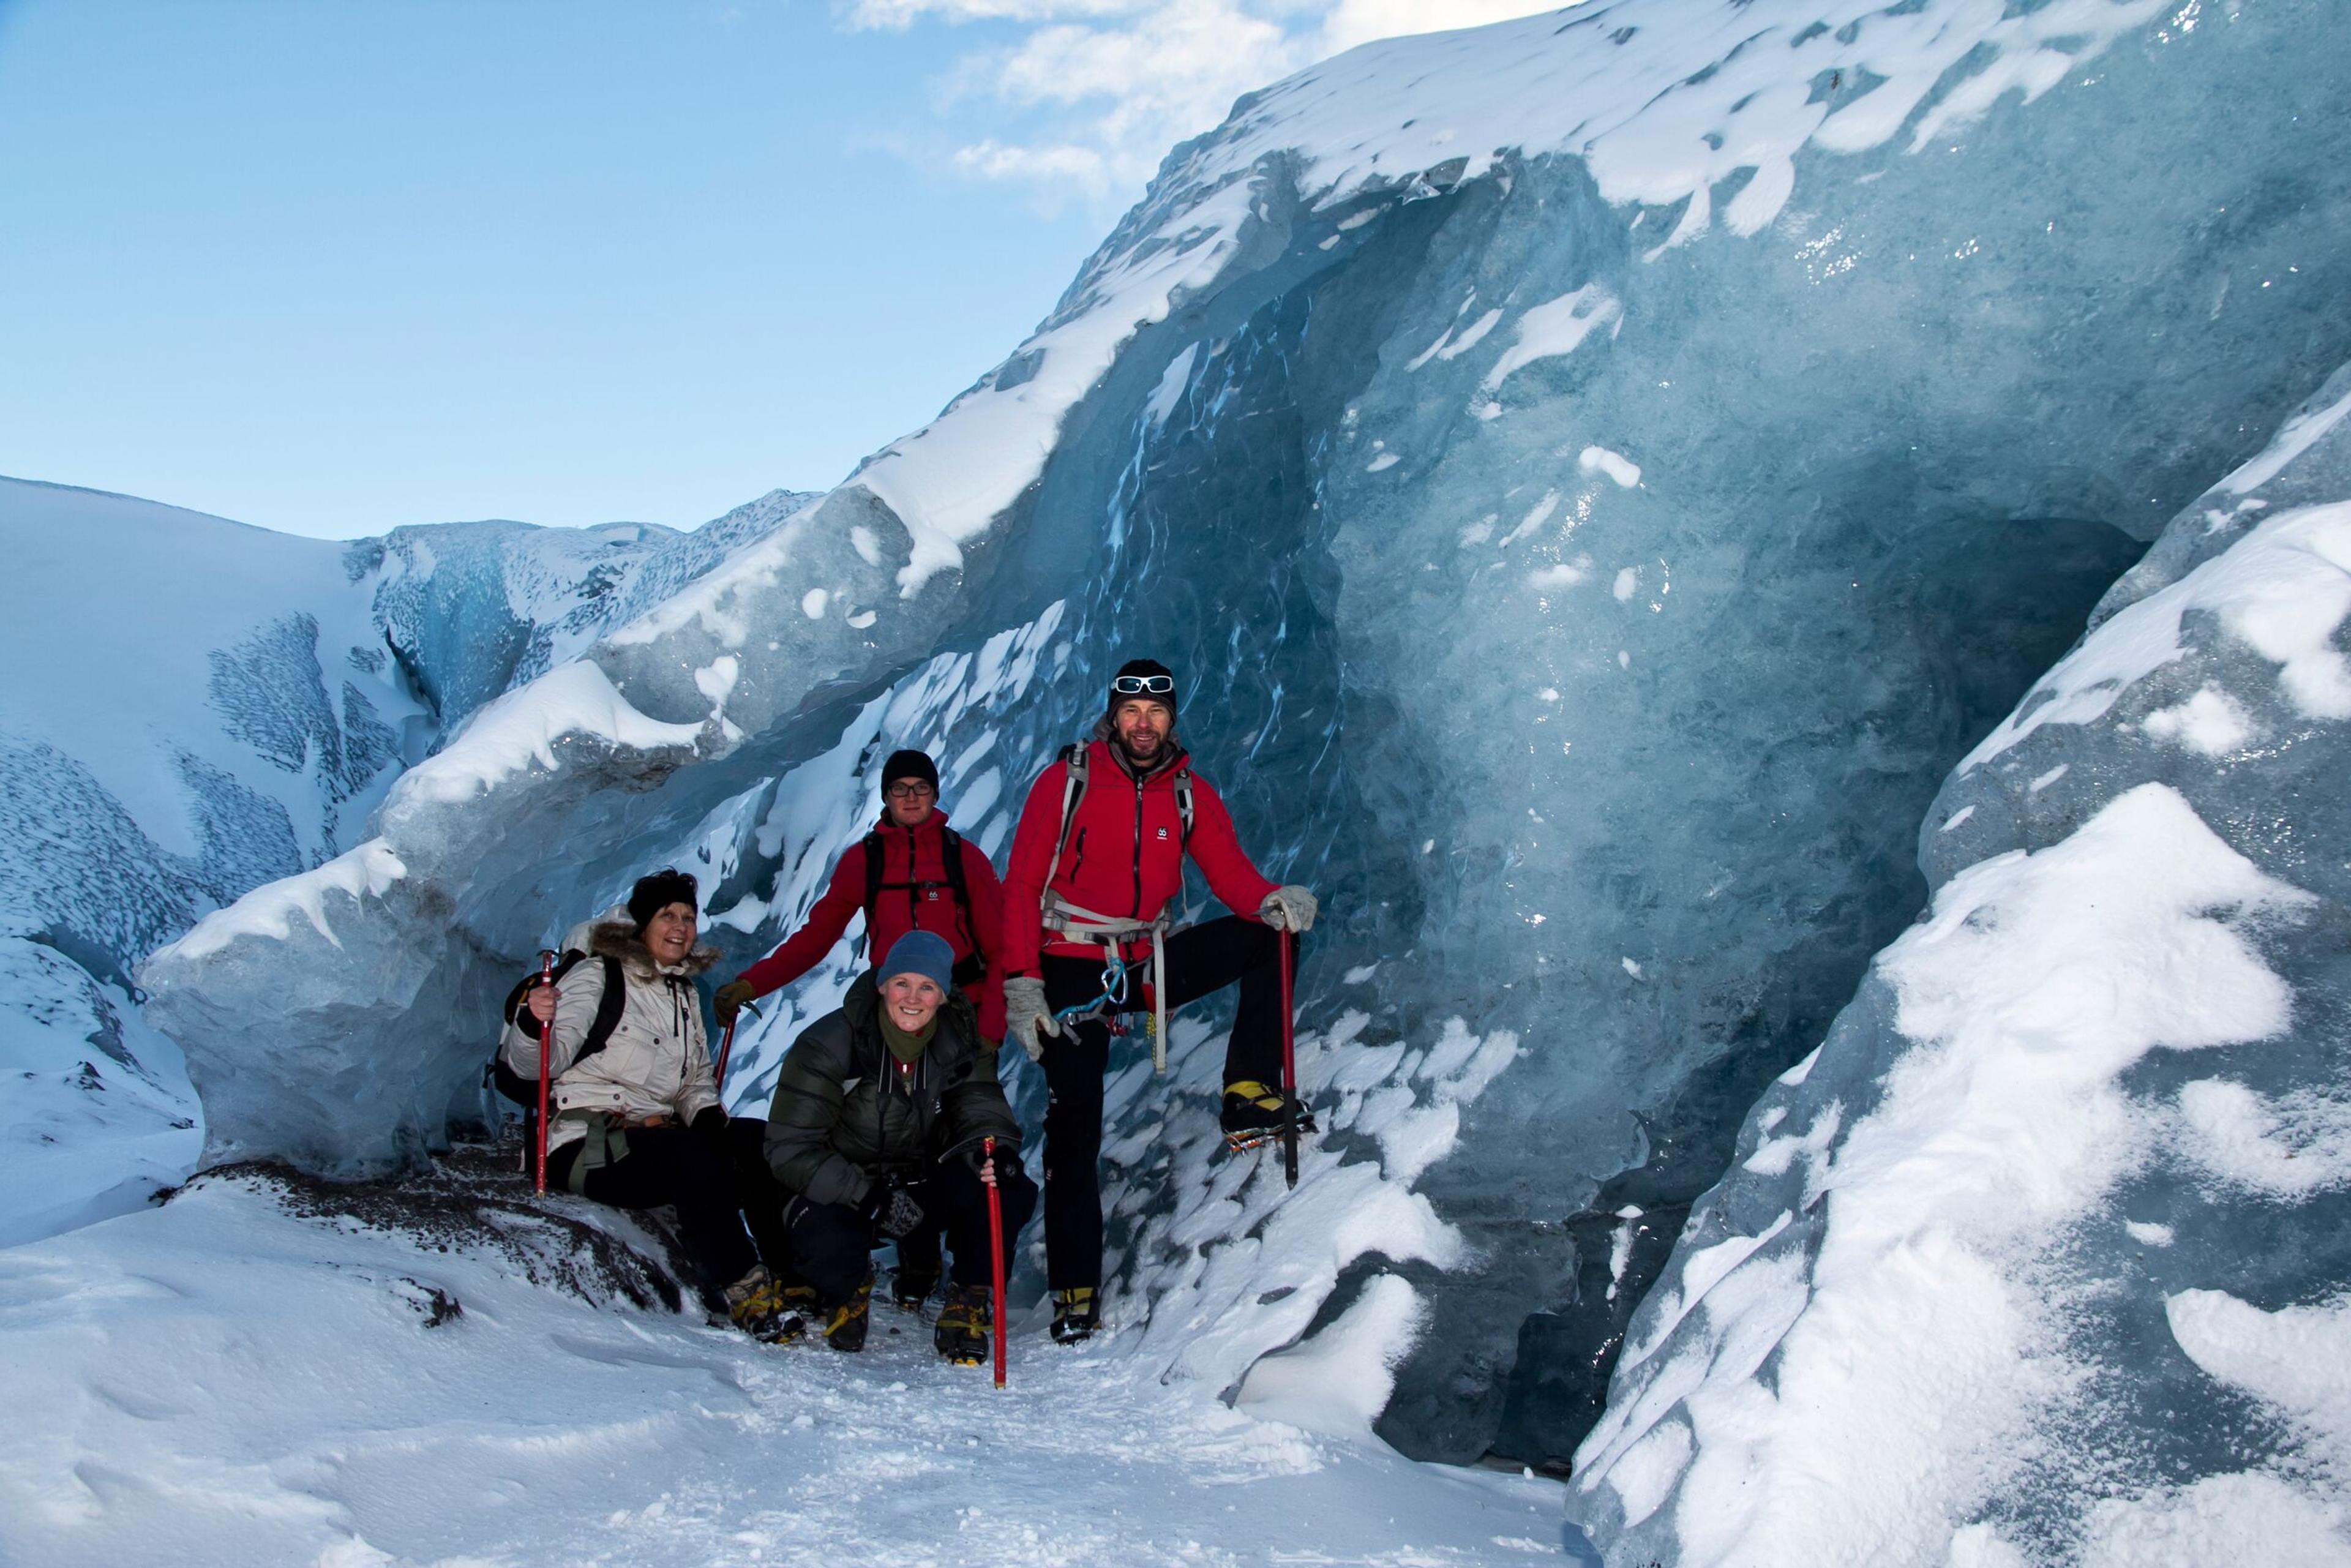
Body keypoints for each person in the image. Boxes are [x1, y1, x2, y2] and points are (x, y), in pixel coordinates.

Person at [997, 659, 1319, 1343]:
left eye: (1157, 711)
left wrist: (1270, 899)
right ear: (1114, 716)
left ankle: (1249, 1090)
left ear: (1171, 718)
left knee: (1272, 938)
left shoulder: (1188, 793)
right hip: (1070, 963)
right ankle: (1074, 1288)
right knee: (1075, 1123)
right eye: (1131, 711)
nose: (1144, 723)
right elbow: (1022, 884)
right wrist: (1023, 982)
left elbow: (1229, 870)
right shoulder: (1068, 781)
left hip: (1146, 960)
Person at [713, 748, 1007, 1307]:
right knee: (897, 1130)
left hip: (956, 1016)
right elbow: (817, 936)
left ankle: (936, 1268)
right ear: (886, 797)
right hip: (893, 1013)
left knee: (953, 1140)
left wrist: (987, 1033)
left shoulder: (962, 858)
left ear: (936, 793)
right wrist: (752, 983)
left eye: (921, 787)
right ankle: (907, 1262)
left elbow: (998, 951)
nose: (912, 797)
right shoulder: (865, 861)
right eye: (901, 789)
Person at [501, 869, 798, 1343]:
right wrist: (532, 1022)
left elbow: (694, 1078)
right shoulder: (598, 976)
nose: (681, 926)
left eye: (688, 916)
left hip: (651, 1139)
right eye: (667, 915)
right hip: (585, 1143)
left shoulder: (681, 991)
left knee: (757, 1142)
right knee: (694, 1160)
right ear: (641, 926)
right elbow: (536, 1064)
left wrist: (707, 1118)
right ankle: (748, 1292)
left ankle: (791, 1274)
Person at [760, 931, 1036, 1362]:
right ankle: (847, 1287)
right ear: (882, 985)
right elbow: (790, 1148)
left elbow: (979, 1103)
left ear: (943, 997)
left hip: (914, 1182)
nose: (913, 997)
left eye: (927, 986)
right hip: (845, 1189)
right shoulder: (830, 1044)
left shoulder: (958, 1040)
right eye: (902, 983)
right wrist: (866, 1196)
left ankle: (968, 1299)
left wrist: (994, 1149)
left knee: (1006, 1186)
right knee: (826, 1246)